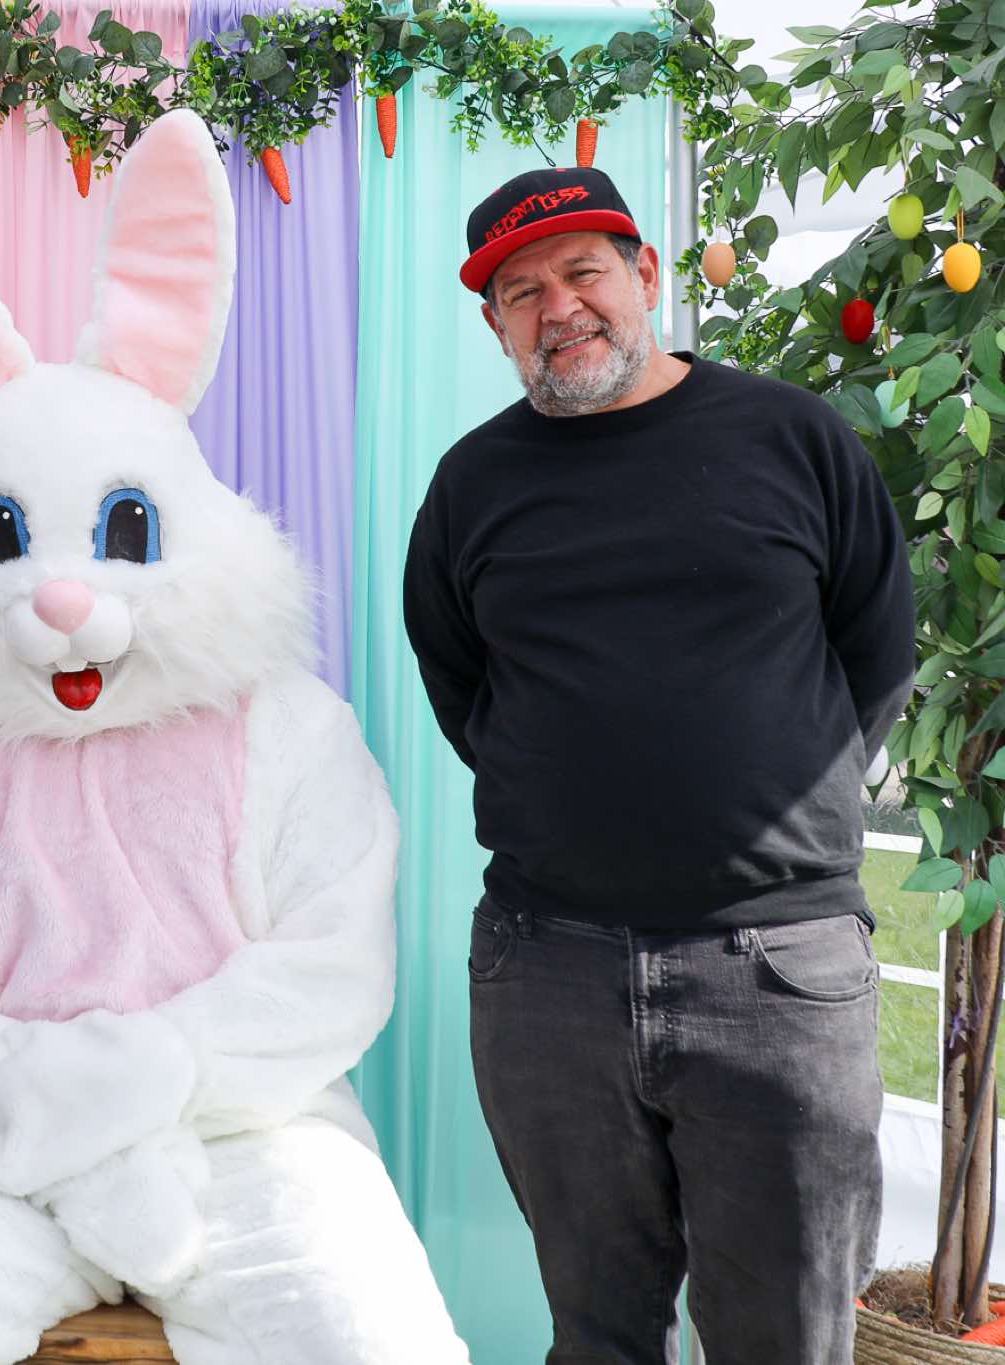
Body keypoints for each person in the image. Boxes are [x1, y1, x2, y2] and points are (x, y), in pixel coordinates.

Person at [403, 165, 914, 1364]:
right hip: (547, 976)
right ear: (492, 323)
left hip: (776, 976)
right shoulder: (471, 484)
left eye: (582, 272)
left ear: (641, 273)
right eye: (520, 292)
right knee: (595, 1337)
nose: (558, 307)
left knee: (784, 1340)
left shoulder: (791, 437)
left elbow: (873, 654)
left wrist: (761, 805)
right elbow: (461, 687)